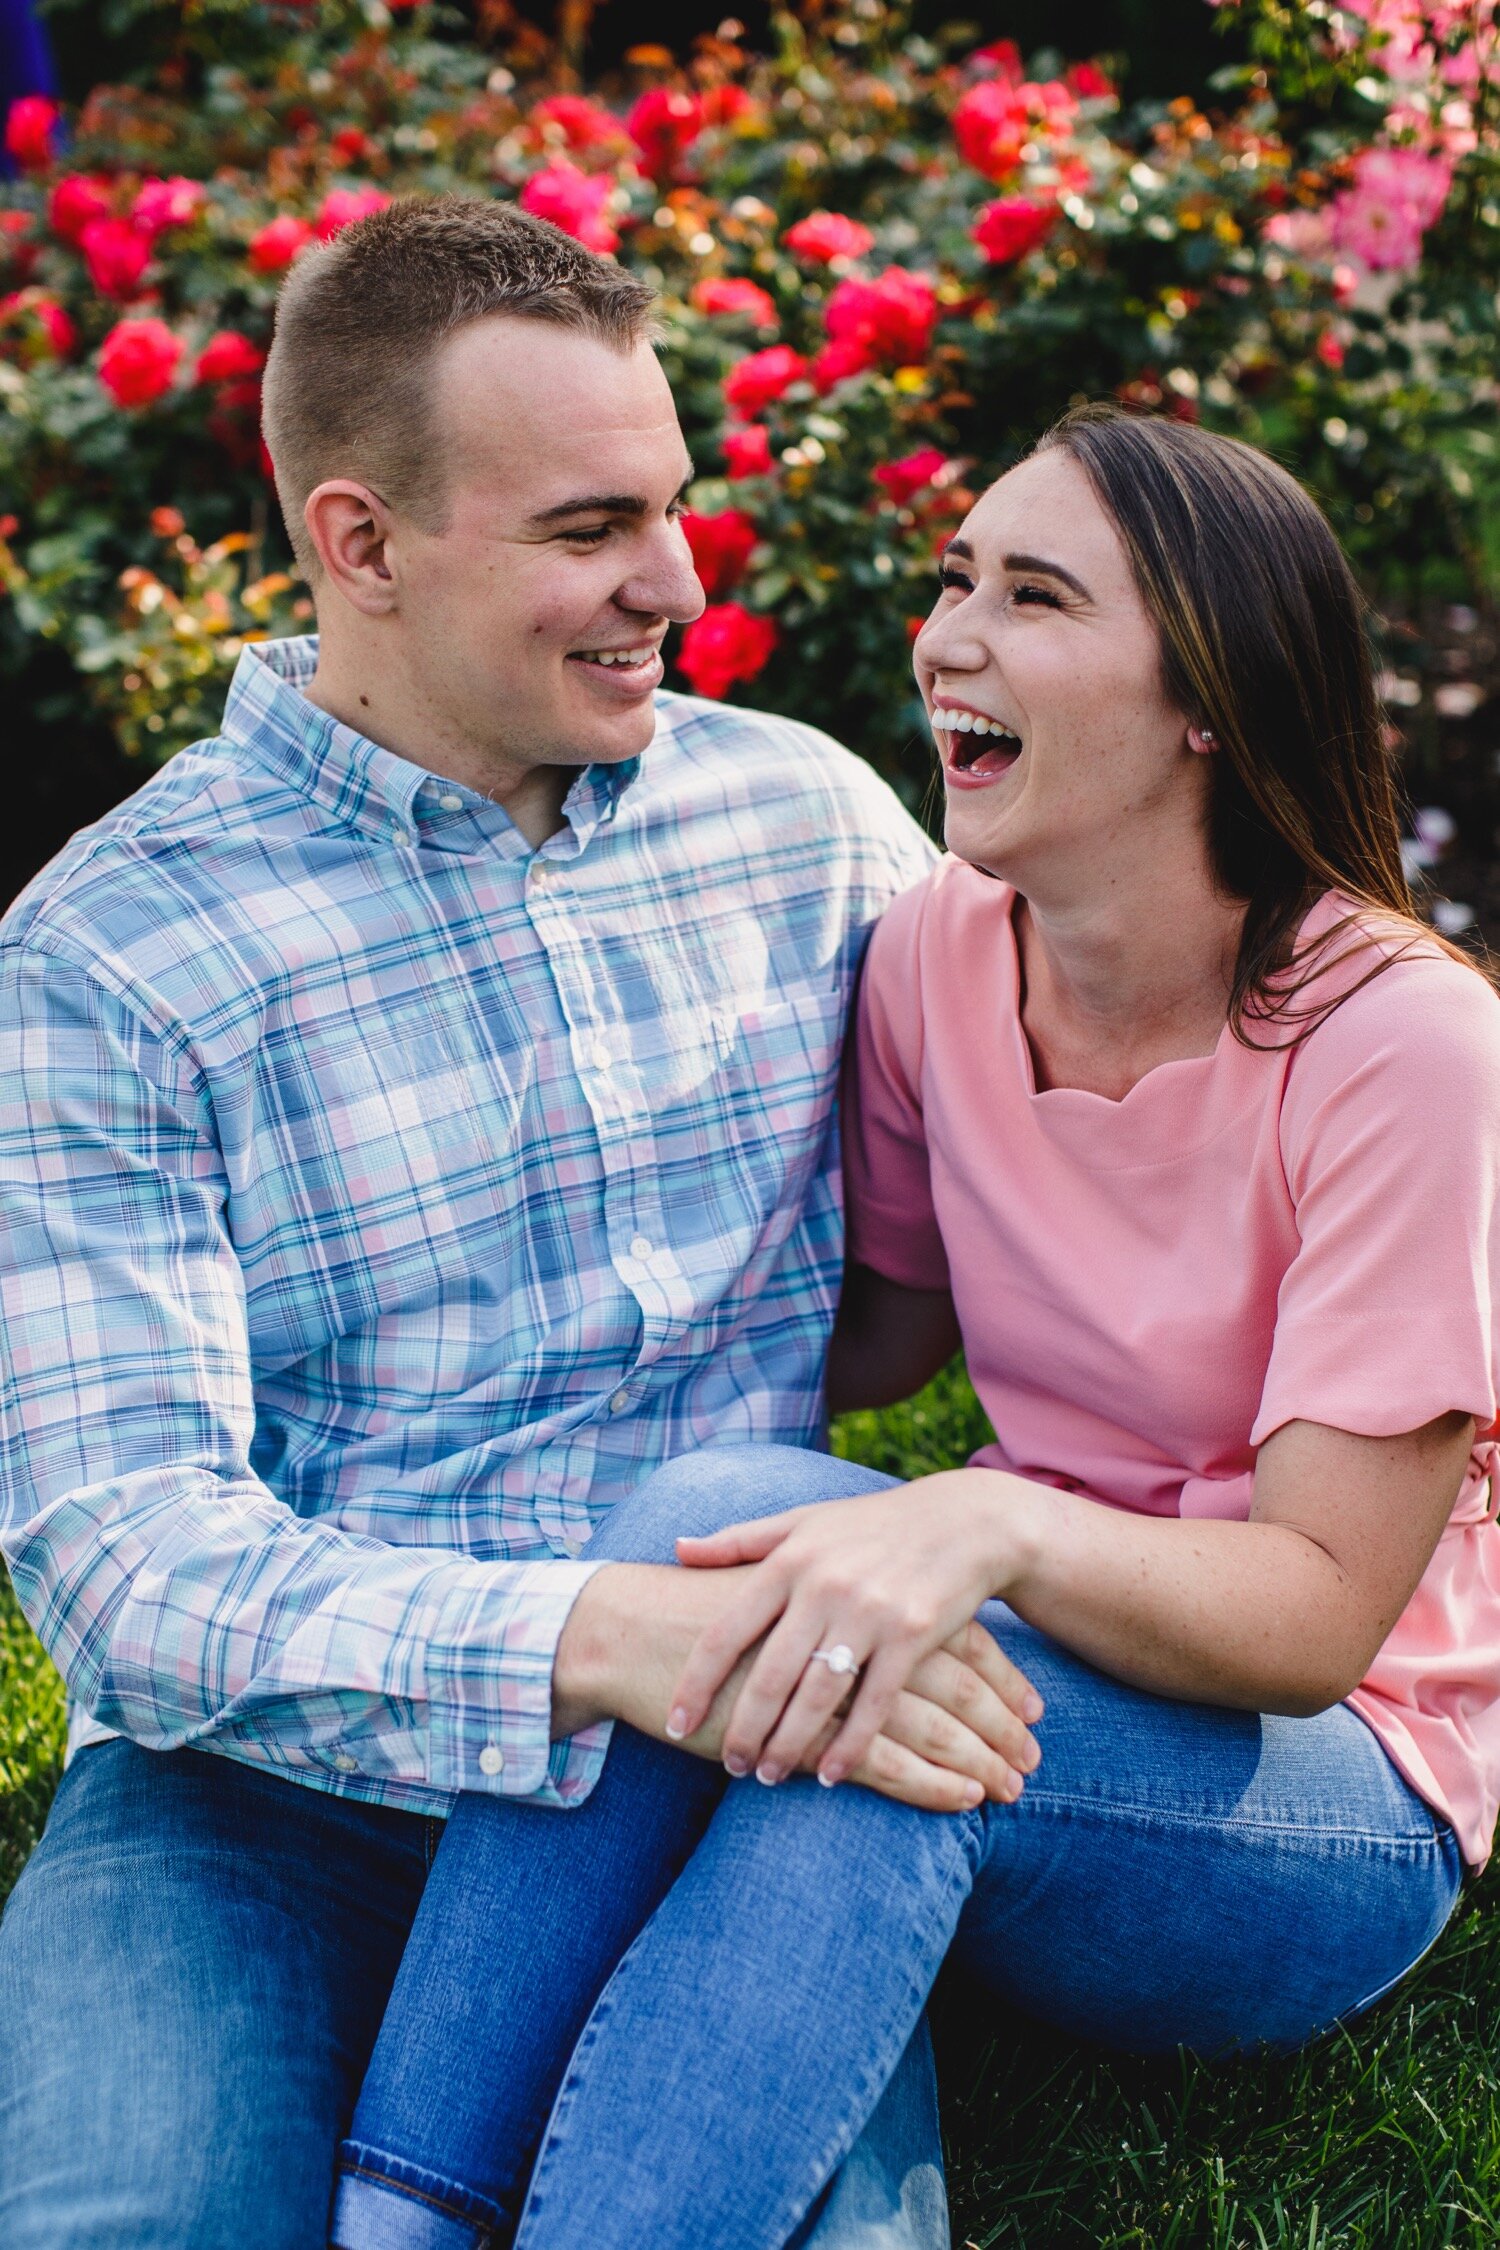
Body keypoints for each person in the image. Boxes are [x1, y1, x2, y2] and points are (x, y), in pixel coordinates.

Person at [327, 405, 1500, 2250]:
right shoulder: (939, 953)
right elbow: (861, 1339)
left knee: (891, 1736)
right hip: (1039, 1638)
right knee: (702, 1517)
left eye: (1034, 595)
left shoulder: (1404, 1048)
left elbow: (1313, 1615)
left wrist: (996, 1519)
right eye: (957, 577)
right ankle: (402, 2217)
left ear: (1210, 696)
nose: (948, 635)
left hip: (1341, 1782)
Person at [0, 195, 1031, 2249]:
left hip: (729, 1790)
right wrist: (607, 1636)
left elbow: (1097, 1141)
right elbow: (125, 1563)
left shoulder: (804, 821)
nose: (671, 581)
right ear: (359, 543)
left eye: (667, 508)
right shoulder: (111, 954)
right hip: (262, 1801)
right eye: (584, 532)